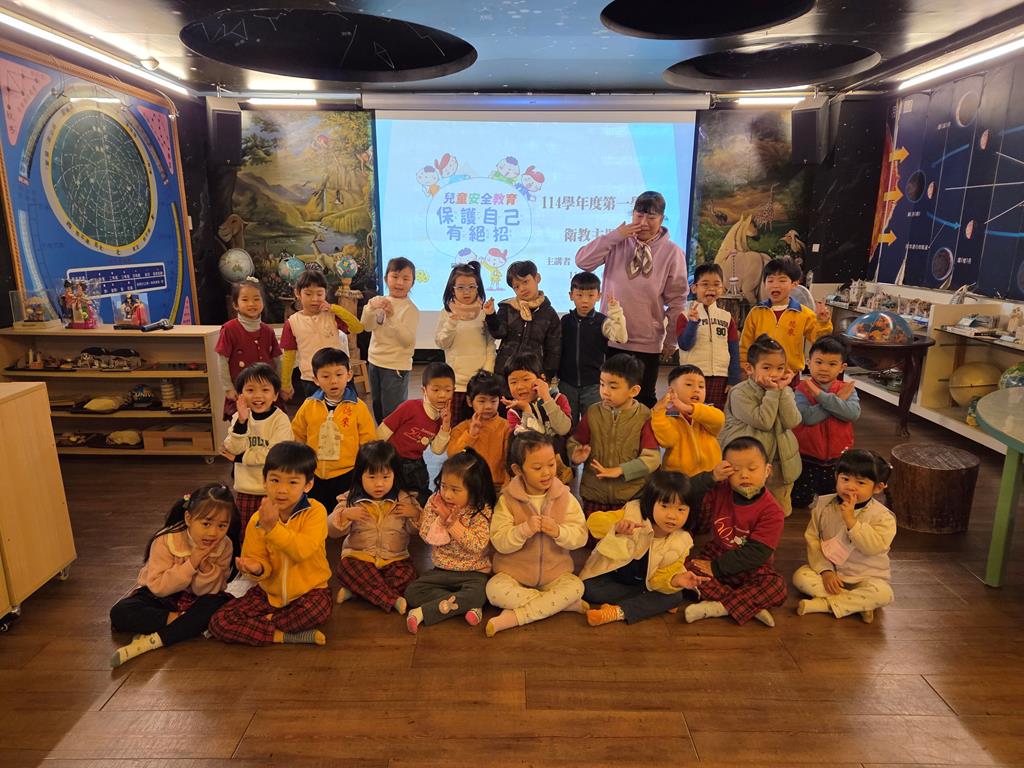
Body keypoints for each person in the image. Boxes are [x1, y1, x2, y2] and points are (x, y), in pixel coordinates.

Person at [208, 441, 333, 646]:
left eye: (292, 482)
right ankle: (282, 635)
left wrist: (272, 529)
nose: (282, 490)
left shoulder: (316, 512)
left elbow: (302, 551)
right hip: (269, 594)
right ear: (264, 480)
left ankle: (261, 626)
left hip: (310, 592)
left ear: (308, 485)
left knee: (317, 610)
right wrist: (256, 568)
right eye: (275, 480)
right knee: (219, 622)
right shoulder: (257, 519)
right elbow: (257, 559)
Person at [575, 191, 689, 407]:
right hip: (609, 338)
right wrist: (616, 235)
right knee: (608, 398)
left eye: (651, 217)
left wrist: (671, 339)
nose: (643, 223)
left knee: (643, 400)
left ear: (662, 219)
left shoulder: (672, 252)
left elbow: (677, 300)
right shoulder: (617, 242)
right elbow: (583, 262)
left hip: (647, 341)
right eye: (639, 216)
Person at [109, 483, 239, 666]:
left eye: (222, 526)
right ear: (188, 518)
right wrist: (191, 564)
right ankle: (182, 624)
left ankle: (154, 640)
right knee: (121, 611)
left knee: (220, 605)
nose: (213, 532)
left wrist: (205, 568)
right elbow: (158, 588)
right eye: (206, 523)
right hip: (161, 598)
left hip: (197, 600)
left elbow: (210, 591)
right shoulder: (166, 540)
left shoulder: (225, 545)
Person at [485, 432, 587, 637]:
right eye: (537, 468)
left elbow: (580, 537)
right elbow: (499, 541)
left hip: (555, 574)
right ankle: (559, 604)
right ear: (518, 470)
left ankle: (515, 617)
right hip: (514, 574)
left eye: (551, 464)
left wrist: (558, 532)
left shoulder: (565, 497)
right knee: (493, 590)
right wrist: (523, 530)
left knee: (577, 586)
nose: (547, 473)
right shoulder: (507, 499)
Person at [684, 437, 787, 627]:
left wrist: (716, 567)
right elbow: (685, 492)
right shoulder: (721, 489)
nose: (744, 475)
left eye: (752, 469)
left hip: (752, 565)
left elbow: (756, 554)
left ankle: (719, 606)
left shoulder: (773, 511)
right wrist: (711, 477)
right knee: (686, 569)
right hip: (718, 551)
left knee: (777, 587)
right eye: (736, 470)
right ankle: (747, 606)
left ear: (767, 471)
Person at [581, 470, 706, 626]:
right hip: (613, 575)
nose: (672, 516)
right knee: (588, 589)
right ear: (650, 503)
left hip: (645, 584)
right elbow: (593, 523)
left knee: (675, 596)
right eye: (664, 506)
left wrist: (674, 580)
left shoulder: (682, 541)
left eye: (681, 509)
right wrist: (616, 527)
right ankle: (650, 603)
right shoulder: (633, 513)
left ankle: (617, 612)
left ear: (690, 511)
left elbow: (657, 580)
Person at [793, 449, 895, 623]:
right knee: (800, 577)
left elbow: (874, 547)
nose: (850, 486)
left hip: (867, 577)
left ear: (878, 487)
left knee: (884, 593)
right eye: (845, 479)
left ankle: (826, 604)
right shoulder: (823, 505)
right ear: (836, 477)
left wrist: (851, 521)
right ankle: (858, 604)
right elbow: (813, 539)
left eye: (860, 483)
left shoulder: (883, 517)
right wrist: (825, 571)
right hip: (832, 575)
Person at [405, 448, 496, 632]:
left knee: (481, 593)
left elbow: (477, 545)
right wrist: (440, 519)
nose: (447, 494)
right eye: (444, 486)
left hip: (474, 573)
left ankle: (424, 612)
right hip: (441, 570)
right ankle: (465, 605)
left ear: (474, 490)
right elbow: (425, 535)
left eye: (455, 490)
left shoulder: (481, 509)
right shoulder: (435, 502)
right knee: (412, 593)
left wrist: (452, 523)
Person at [328, 440, 422, 614]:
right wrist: (344, 515)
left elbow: (417, 531)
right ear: (360, 476)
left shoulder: (405, 500)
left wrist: (416, 514)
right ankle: (391, 599)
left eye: (385, 477)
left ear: (395, 475)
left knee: (409, 576)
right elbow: (331, 532)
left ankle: (359, 591)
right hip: (360, 557)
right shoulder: (350, 500)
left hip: (395, 558)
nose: (379, 484)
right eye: (372, 477)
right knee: (345, 568)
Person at [719, 335, 802, 516]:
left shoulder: (783, 390)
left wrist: (782, 391)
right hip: (747, 463)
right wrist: (773, 392)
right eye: (766, 367)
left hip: (779, 464)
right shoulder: (740, 393)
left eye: (780, 368)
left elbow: (792, 421)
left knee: (777, 510)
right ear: (749, 368)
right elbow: (763, 422)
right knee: (746, 508)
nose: (774, 374)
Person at [568, 353, 660, 516]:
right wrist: (575, 455)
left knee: (627, 533)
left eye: (613, 387)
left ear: (634, 390)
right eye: (602, 384)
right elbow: (574, 442)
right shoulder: (593, 412)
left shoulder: (644, 416)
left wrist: (621, 470)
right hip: (594, 495)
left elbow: (652, 459)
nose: (605, 391)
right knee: (592, 531)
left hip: (631, 497)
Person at [291, 348, 376, 513]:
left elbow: (368, 443)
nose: (333, 381)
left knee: (343, 514)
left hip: (347, 474)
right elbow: (297, 435)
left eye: (339, 374)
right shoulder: (309, 405)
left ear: (349, 375)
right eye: (325, 376)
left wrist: (365, 472)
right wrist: (300, 465)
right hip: (314, 474)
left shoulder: (358, 407)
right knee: (316, 513)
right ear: (316, 379)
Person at [222, 363, 294, 538]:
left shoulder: (280, 420)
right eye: (250, 390)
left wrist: (241, 458)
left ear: (275, 395)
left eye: (265, 390)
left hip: (274, 490)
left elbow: (276, 455)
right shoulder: (238, 417)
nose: (258, 395)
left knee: (274, 533)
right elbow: (233, 447)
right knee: (247, 534)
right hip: (245, 488)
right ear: (241, 395)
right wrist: (242, 422)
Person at [792, 335, 860, 509]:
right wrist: (837, 400)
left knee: (832, 500)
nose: (824, 368)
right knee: (799, 500)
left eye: (832, 364)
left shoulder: (847, 389)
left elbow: (852, 414)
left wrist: (821, 396)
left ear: (842, 367)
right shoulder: (802, 388)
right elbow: (808, 418)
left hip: (838, 456)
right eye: (819, 362)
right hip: (806, 455)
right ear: (809, 363)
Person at [378, 361, 456, 505]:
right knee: (390, 494)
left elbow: (437, 450)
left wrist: (445, 426)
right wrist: (377, 457)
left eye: (448, 390)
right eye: (436, 390)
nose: (442, 395)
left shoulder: (443, 417)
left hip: (415, 462)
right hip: (392, 459)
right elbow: (383, 431)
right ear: (424, 390)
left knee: (421, 495)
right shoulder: (410, 407)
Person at [739, 258, 833, 377]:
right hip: (761, 374)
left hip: (790, 375)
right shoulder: (756, 312)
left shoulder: (803, 313)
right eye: (770, 280)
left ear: (794, 284)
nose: (775, 285)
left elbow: (819, 341)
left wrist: (823, 323)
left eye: (782, 281)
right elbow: (745, 344)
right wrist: (744, 367)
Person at [280, 268, 363, 400]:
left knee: (347, 410)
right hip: (311, 379)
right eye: (308, 294)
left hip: (339, 376)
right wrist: (285, 384)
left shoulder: (332, 315)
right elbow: (289, 357)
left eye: (319, 294)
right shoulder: (292, 323)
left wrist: (334, 308)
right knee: (317, 412)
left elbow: (357, 328)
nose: (314, 299)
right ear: (297, 293)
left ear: (325, 293)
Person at [558, 270, 628, 424]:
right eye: (579, 295)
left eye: (590, 295)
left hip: (594, 384)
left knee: (593, 424)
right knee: (568, 424)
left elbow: (621, 337)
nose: (585, 300)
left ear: (598, 296)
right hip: (567, 383)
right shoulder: (565, 321)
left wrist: (615, 311)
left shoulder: (603, 321)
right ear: (571, 295)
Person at [434, 260, 496, 423]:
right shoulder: (447, 313)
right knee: (455, 428)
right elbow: (442, 343)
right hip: (456, 383)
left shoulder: (484, 312)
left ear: (478, 288)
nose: (466, 292)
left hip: (479, 383)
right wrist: (451, 323)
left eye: (471, 287)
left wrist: (487, 372)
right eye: (460, 287)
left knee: (480, 426)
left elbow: (490, 345)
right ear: (452, 289)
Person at [361, 257, 420, 422]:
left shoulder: (411, 309)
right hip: (375, 362)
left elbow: (407, 341)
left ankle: (394, 439)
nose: (399, 282)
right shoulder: (380, 302)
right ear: (386, 278)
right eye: (395, 276)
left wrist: (392, 317)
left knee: (393, 413)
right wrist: (369, 308)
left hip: (395, 366)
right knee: (378, 407)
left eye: (406, 278)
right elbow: (367, 326)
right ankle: (381, 437)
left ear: (412, 283)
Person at [215, 277, 283, 419]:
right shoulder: (229, 329)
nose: (251, 304)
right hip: (241, 393)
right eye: (245, 299)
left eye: (256, 299)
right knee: (242, 425)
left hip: (266, 393)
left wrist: (280, 385)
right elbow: (222, 360)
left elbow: (277, 360)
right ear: (235, 304)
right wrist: (228, 388)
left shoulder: (268, 331)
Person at [675, 263, 740, 410]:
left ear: (722, 288)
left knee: (714, 415)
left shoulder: (727, 317)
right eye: (705, 284)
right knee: (691, 412)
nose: (711, 289)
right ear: (694, 288)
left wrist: (734, 379)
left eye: (716, 284)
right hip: (693, 376)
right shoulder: (684, 316)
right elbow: (685, 344)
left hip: (720, 377)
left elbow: (734, 350)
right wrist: (693, 323)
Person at [485, 260, 562, 383]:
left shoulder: (549, 313)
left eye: (525, 282)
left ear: (537, 278)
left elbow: (554, 349)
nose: (522, 288)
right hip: (505, 372)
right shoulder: (507, 307)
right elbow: (499, 333)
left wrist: (547, 375)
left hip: (533, 374)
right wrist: (491, 315)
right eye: (516, 287)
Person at [502, 351, 573, 484]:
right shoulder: (514, 411)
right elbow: (528, 444)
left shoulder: (558, 399)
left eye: (526, 379)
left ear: (542, 379)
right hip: (532, 476)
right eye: (513, 382)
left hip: (559, 471)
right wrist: (526, 410)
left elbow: (563, 429)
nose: (520, 386)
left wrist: (546, 398)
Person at [651, 364, 724, 475]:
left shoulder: (707, 411)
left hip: (710, 473)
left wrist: (688, 408)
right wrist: (657, 413)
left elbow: (719, 420)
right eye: (689, 384)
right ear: (671, 391)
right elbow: (668, 440)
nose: (696, 390)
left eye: (701, 386)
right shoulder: (668, 415)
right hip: (678, 476)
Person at [447, 370, 511, 492]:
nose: (488, 406)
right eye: (482, 401)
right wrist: (470, 435)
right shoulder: (461, 428)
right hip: (468, 485)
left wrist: (507, 484)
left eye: (493, 401)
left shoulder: (506, 427)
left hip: (498, 486)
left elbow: (510, 460)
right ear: (469, 401)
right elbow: (452, 455)